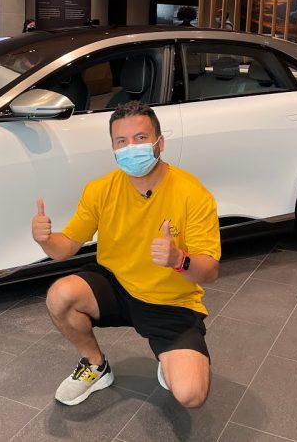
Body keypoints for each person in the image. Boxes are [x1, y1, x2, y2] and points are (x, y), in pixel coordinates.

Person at [31, 101, 220, 409]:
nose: (131, 147)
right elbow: (65, 248)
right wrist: (45, 239)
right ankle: (95, 365)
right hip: (116, 285)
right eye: (122, 141)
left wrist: (179, 260)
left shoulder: (193, 194)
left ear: (160, 143)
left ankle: (170, 359)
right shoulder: (100, 189)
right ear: (114, 148)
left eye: (141, 138)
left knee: (191, 394)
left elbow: (210, 271)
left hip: (169, 301)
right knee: (60, 295)